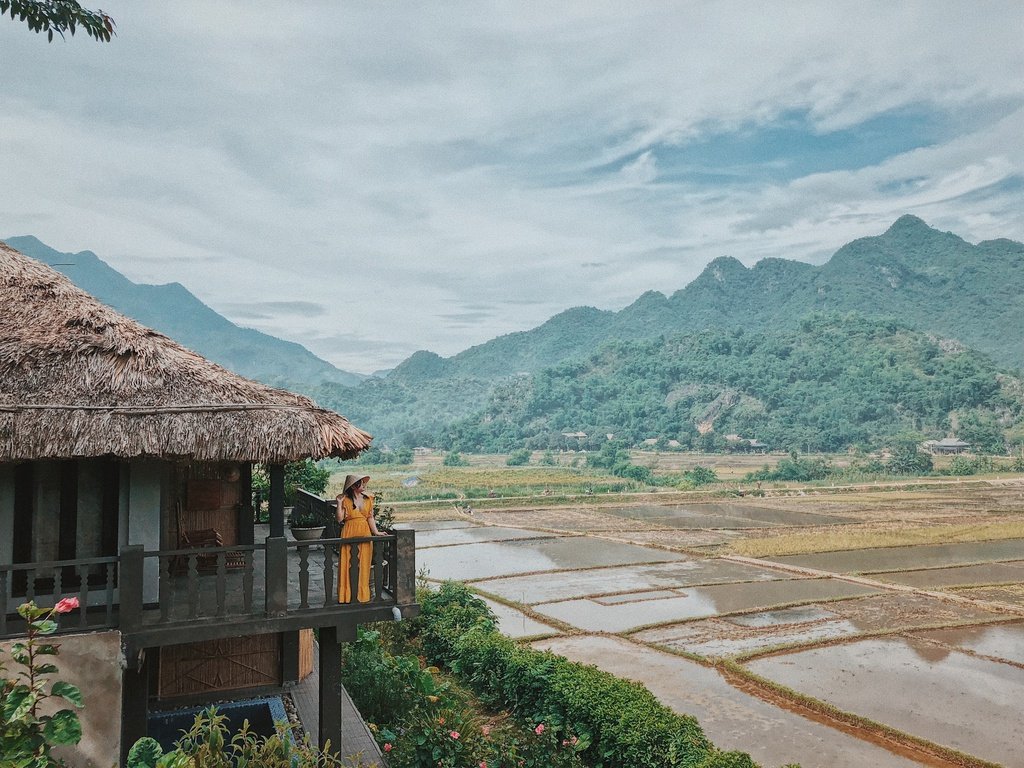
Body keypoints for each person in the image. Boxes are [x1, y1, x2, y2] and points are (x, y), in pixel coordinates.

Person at [336, 474, 381, 603]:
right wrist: (339, 504)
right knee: (346, 562)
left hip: (365, 532)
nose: (363, 485)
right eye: (360, 483)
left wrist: (376, 532)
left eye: (363, 483)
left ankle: (362, 594)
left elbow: (370, 517)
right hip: (349, 531)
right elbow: (340, 519)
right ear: (353, 486)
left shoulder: (368, 499)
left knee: (364, 563)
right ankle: (345, 595)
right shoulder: (345, 500)